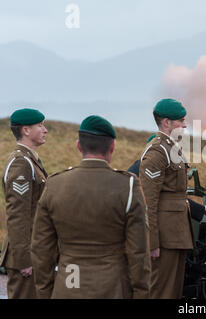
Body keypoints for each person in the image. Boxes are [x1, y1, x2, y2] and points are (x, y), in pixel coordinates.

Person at [30, 115, 150, 298]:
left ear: (79, 146)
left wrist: (45, 292)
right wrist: (141, 293)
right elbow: (138, 252)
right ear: (112, 147)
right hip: (113, 288)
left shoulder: (55, 185)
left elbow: (41, 251)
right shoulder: (128, 186)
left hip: (67, 286)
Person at [139, 98, 206, 298]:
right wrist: (152, 242)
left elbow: (176, 196)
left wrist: (202, 210)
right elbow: (148, 201)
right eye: (180, 121)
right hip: (165, 237)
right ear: (166, 123)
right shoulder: (157, 151)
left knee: (172, 290)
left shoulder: (171, 149)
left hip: (176, 234)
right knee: (160, 290)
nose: (184, 125)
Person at [0, 108, 48, 299]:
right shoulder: (22, 163)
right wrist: (23, 259)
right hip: (25, 255)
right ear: (26, 130)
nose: (45, 130)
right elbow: (18, 215)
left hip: (33, 250)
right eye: (40, 125)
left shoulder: (30, 160)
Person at [127, 134, 206, 222]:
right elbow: (168, 199)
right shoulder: (150, 169)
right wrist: (202, 210)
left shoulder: (145, 166)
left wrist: (202, 210)